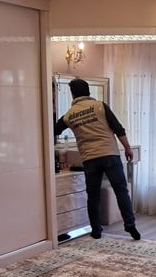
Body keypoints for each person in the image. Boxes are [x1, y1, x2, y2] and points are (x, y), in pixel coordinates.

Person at [54, 78, 141, 241]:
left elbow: (53, 129)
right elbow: (118, 129)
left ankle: (96, 230)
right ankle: (130, 224)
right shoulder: (100, 106)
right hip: (110, 154)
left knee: (93, 195)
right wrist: (128, 148)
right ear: (88, 91)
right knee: (121, 190)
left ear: (72, 94)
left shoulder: (68, 116)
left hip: (90, 158)